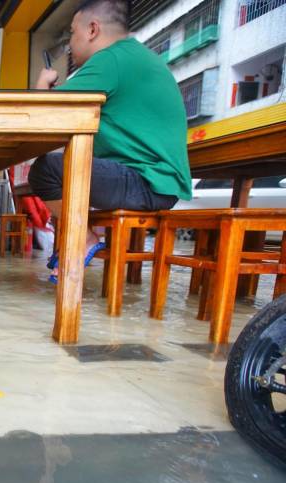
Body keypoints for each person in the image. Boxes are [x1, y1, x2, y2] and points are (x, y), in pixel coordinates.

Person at [28, 0, 192, 283]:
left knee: (46, 170)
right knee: (59, 169)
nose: (70, 43)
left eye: (72, 33)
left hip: (147, 181)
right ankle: (82, 236)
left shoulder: (111, 59)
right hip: (154, 180)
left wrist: (43, 84)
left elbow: (47, 115)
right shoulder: (132, 56)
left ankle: (82, 238)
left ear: (92, 29)